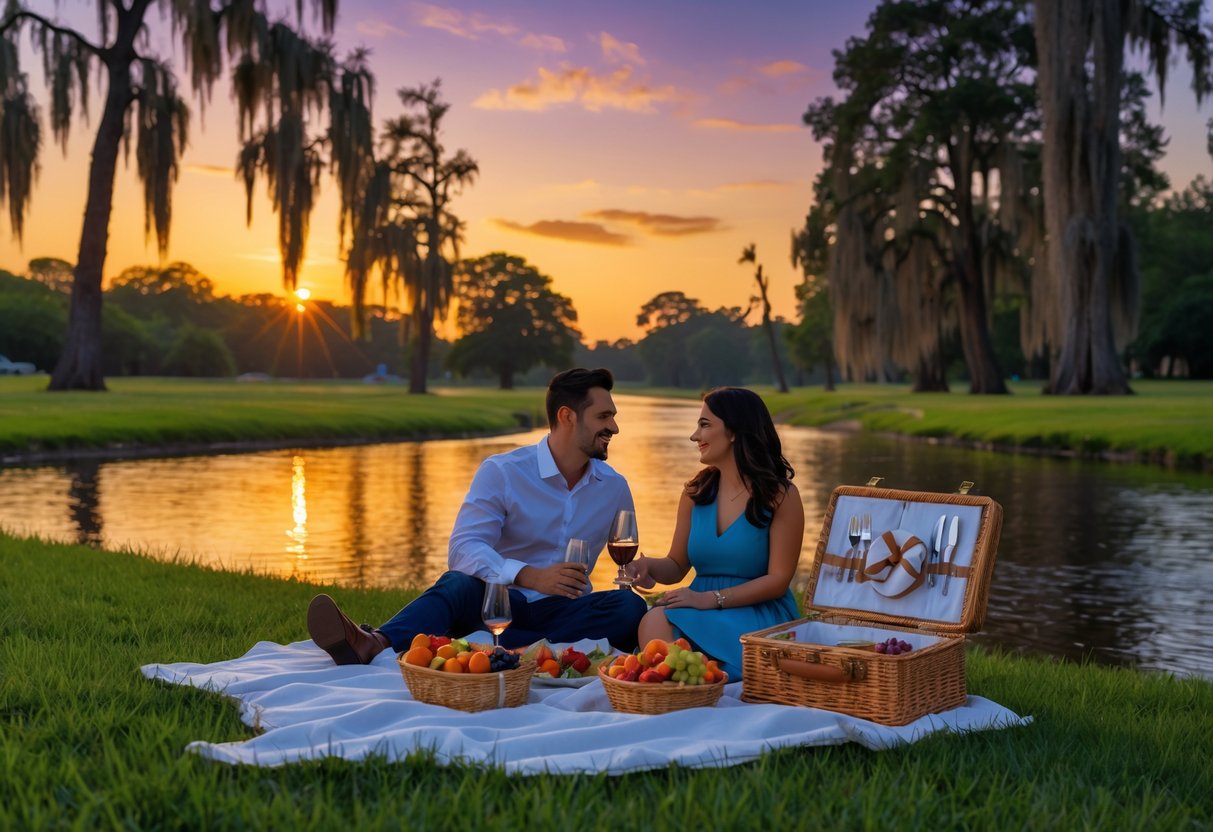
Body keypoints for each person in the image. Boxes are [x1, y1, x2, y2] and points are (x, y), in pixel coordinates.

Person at [307, 367, 648, 664]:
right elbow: (464, 548)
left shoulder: (613, 486)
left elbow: (625, 553)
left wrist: (639, 571)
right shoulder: (503, 471)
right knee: (457, 584)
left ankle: (505, 648)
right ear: (567, 416)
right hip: (498, 603)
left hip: (563, 613)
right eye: (604, 417)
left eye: (613, 417)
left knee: (627, 607)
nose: (614, 427)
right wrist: (530, 576)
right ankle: (372, 643)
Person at [626, 387, 803, 679]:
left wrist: (712, 598)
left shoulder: (780, 496)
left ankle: (703, 679)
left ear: (733, 431)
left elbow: (778, 580)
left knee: (670, 639)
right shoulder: (696, 492)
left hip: (756, 609)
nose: (695, 436)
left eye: (704, 425)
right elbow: (677, 565)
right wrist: (649, 566)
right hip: (699, 606)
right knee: (654, 620)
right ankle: (688, 685)